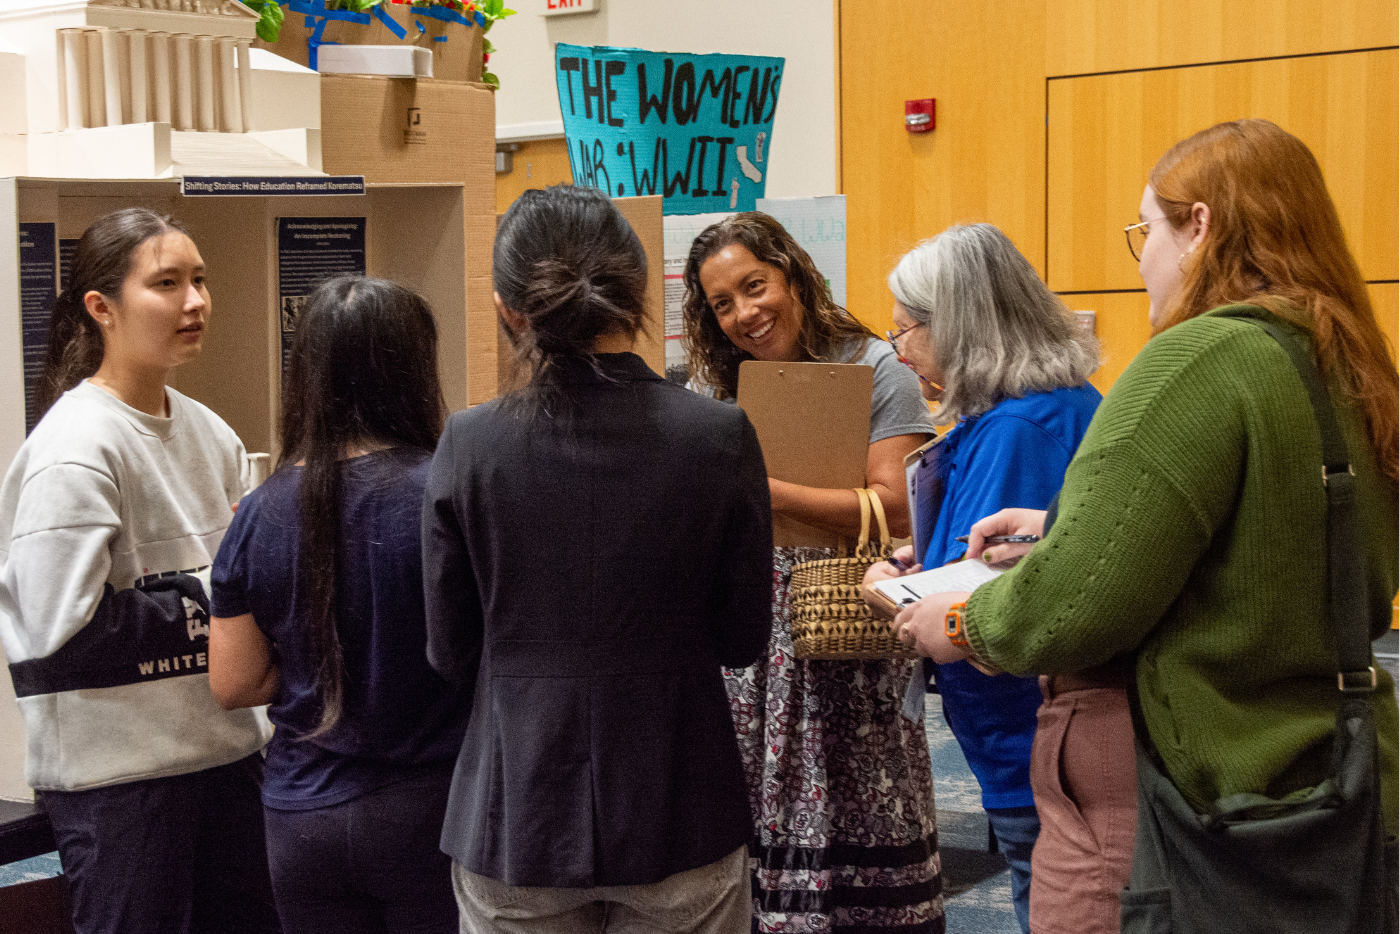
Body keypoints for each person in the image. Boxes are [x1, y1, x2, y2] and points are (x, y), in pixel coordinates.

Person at [892, 119, 1399, 930]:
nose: (1142, 260)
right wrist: (1064, 524)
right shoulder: (1348, 358)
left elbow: (1070, 610)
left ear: (1200, 225)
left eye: (1145, 231)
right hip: (1340, 763)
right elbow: (1273, 539)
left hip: (1210, 782)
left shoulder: (1194, 359)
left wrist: (959, 623)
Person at [421, 184, 772, 934]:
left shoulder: (470, 443)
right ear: (640, 289)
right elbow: (743, 637)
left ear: (510, 309)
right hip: (682, 796)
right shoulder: (719, 434)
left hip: (514, 807)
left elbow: (450, 651)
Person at [0, 208, 279, 934]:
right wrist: (221, 594)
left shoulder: (210, 431)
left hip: (229, 761)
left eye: (199, 280)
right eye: (167, 283)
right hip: (121, 787)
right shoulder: (74, 447)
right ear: (102, 308)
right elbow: (61, 634)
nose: (195, 302)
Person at [682, 212, 942, 932]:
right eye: (722, 303)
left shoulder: (874, 365)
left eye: (754, 286)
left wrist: (762, 492)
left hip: (845, 621)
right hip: (752, 637)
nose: (744, 313)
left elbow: (898, 507)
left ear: (792, 273)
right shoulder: (717, 388)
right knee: (758, 809)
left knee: (866, 801)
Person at [207, 276, 468, 934]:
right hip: (432, 813)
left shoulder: (256, 513)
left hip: (302, 820)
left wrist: (314, 668)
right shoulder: (447, 495)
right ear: (416, 369)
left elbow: (234, 682)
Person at [863, 223, 1102, 934]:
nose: (900, 352)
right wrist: (923, 562)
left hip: (1032, 740)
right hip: (1034, 739)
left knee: (1052, 903)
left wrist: (904, 592)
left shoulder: (1020, 429)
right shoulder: (1027, 412)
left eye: (906, 332)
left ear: (958, 325)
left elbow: (992, 595)